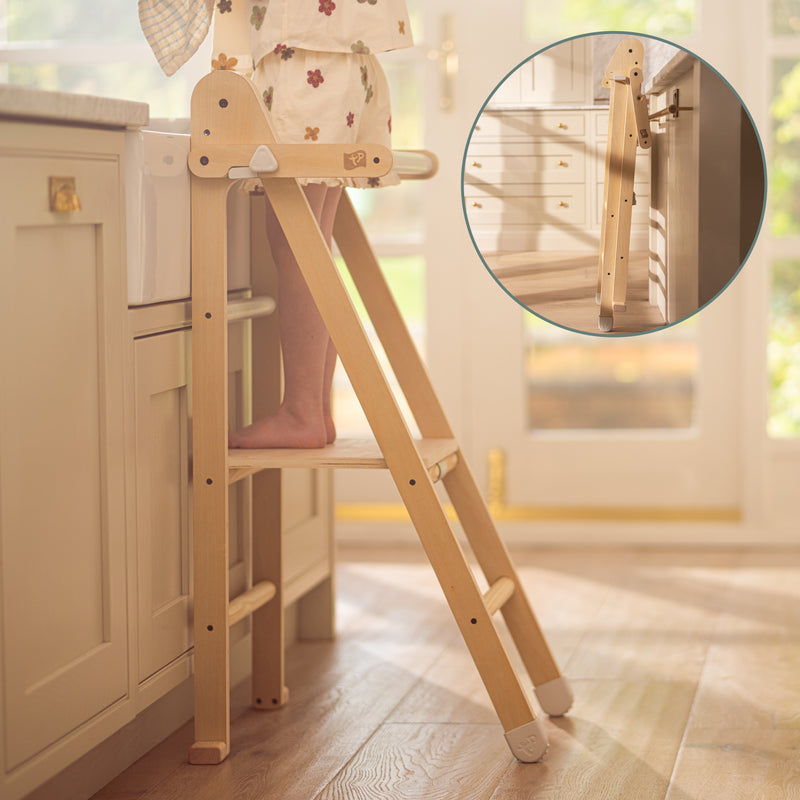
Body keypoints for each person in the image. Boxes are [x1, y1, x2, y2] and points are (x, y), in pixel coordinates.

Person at [225, 0, 412, 448]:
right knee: (312, 245)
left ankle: (302, 411)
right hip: (338, 58)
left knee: (296, 247)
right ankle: (314, 410)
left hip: (306, 59)